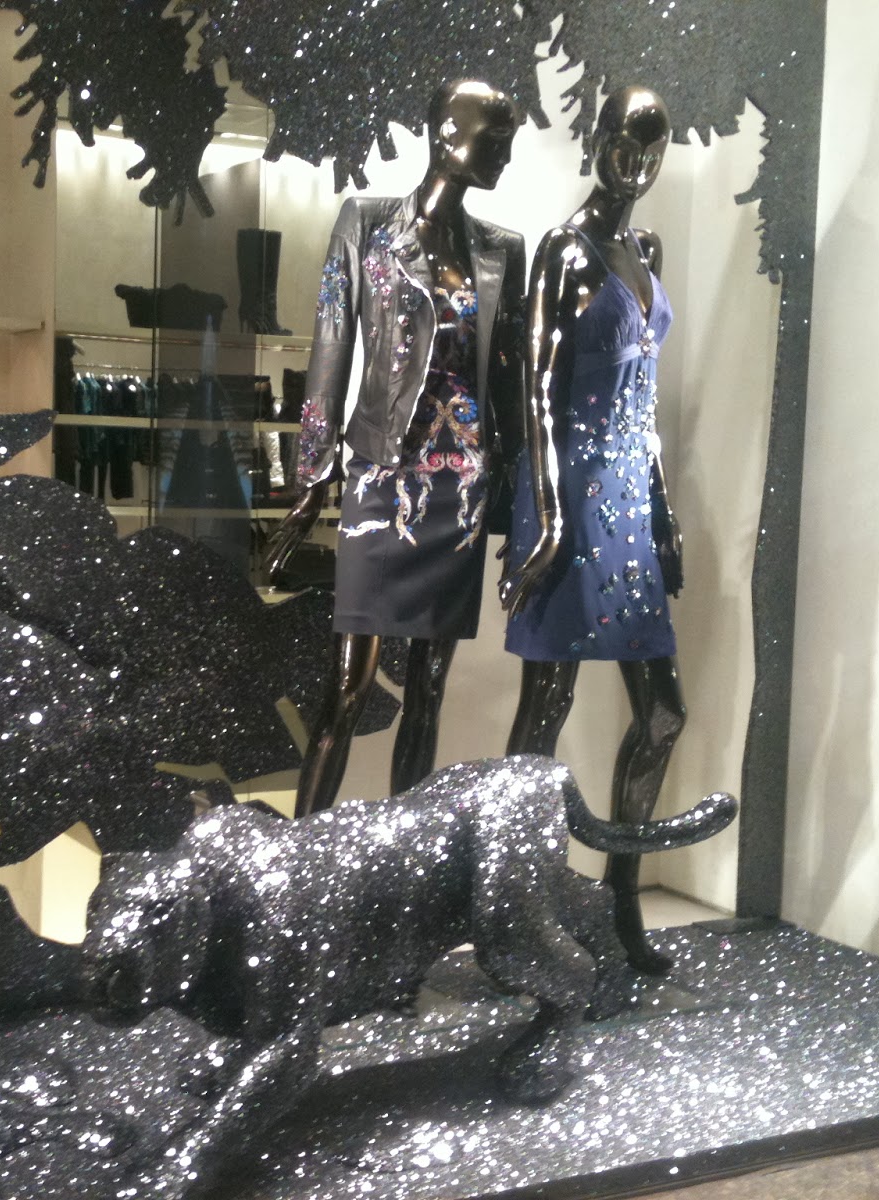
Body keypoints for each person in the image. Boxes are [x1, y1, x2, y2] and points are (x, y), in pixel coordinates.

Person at [267, 79, 527, 817]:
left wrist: (518, 508)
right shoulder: (367, 222)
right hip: (382, 483)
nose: (505, 154)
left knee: (428, 692)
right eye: (494, 139)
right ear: (447, 135)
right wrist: (312, 477)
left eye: (509, 141)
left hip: (460, 495)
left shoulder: (502, 251)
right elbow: (330, 350)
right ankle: (301, 855)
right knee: (347, 689)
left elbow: (508, 387)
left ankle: (401, 863)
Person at [499, 84, 693, 974]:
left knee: (664, 713)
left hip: (628, 501)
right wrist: (544, 519)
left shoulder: (645, 251)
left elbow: (645, 403)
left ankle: (620, 900)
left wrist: (662, 505)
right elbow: (536, 395)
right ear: (597, 140)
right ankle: (515, 908)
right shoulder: (564, 252)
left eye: (653, 152)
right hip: (570, 495)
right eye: (624, 144)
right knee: (546, 705)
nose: (636, 165)